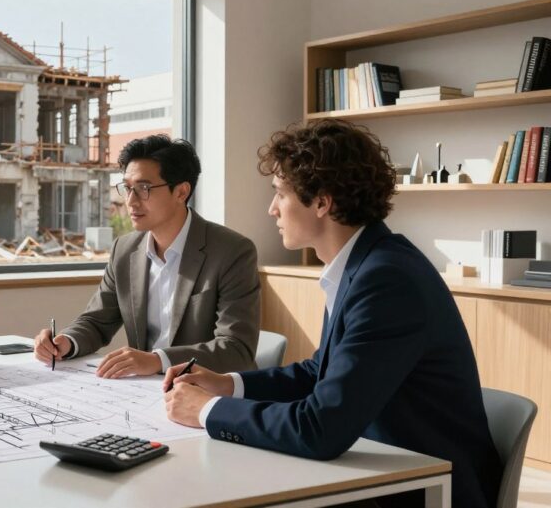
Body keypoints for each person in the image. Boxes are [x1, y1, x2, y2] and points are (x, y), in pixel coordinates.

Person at [163, 119, 501, 508]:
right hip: (376, 473)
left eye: (279, 194)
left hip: (423, 491)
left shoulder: (386, 280)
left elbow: (319, 429)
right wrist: (228, 385)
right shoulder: (366, 264)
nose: (271, 209)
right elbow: (320, 372)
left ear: (322, 202)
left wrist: (207, 410)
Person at [34, 134, 260, 378]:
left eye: (144, 188)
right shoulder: (125, 249)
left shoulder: (232, 252)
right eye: (128, 188)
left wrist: (157, 360)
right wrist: (65, 342)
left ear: (181, 192)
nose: (131, 201)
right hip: (145, 390)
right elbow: (97, 322)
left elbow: (236, 349)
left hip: (205, 390)